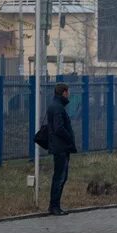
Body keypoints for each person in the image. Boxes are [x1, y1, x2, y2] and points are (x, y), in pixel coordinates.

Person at [45, 83, 77, 216]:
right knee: (60, 177)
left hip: (58, 146)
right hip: (61, 147)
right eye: (67, 92)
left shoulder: (55, 105)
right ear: (64, 92)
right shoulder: (58, 108)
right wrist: (69, 137)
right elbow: (59, 128)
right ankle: (54, 206)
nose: (68, 94)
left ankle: (55, 206)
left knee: (59, 176)